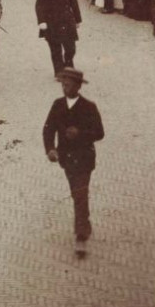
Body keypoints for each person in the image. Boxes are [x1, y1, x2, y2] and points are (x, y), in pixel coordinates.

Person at [42, 67, 104, 255]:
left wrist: (81, 134)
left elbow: (99, 133)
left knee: (79, 194)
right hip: (66, 159)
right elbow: (48, 129)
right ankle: (84, 222)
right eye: (62, 84)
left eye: (68, 84)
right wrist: (50, 149)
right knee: (77, 193)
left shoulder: (89, 107)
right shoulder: (57, 105)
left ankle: (81, 235)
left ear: (78, 86)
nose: (64, 87)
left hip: (84, 158)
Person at [35, 0, 82, 76]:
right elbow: (39, 5)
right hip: (52, 21)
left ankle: (69, 65)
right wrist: (41, 21)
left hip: (67, 20)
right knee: (55, 49)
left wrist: (78, 19)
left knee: (70, 48)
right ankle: (59, 71)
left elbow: (74, 3)